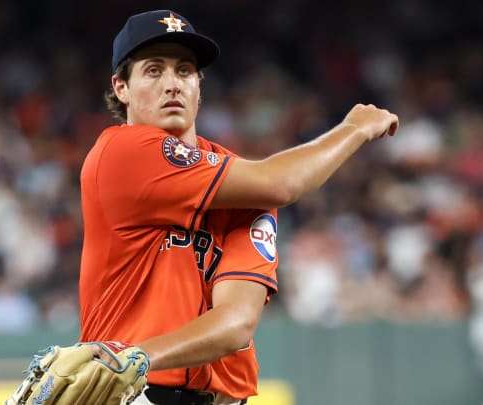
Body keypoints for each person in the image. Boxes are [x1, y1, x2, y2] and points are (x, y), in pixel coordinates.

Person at [78, 9, 398, 405]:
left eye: (185, 70)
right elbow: (281, 182)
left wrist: (138, 355)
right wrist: (353, 129)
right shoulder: (121, 152)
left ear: (200, 84)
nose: (172, 84)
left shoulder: (246, 185)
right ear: (121, 87)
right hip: (135, 394)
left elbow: (234, 325)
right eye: (153, 70)